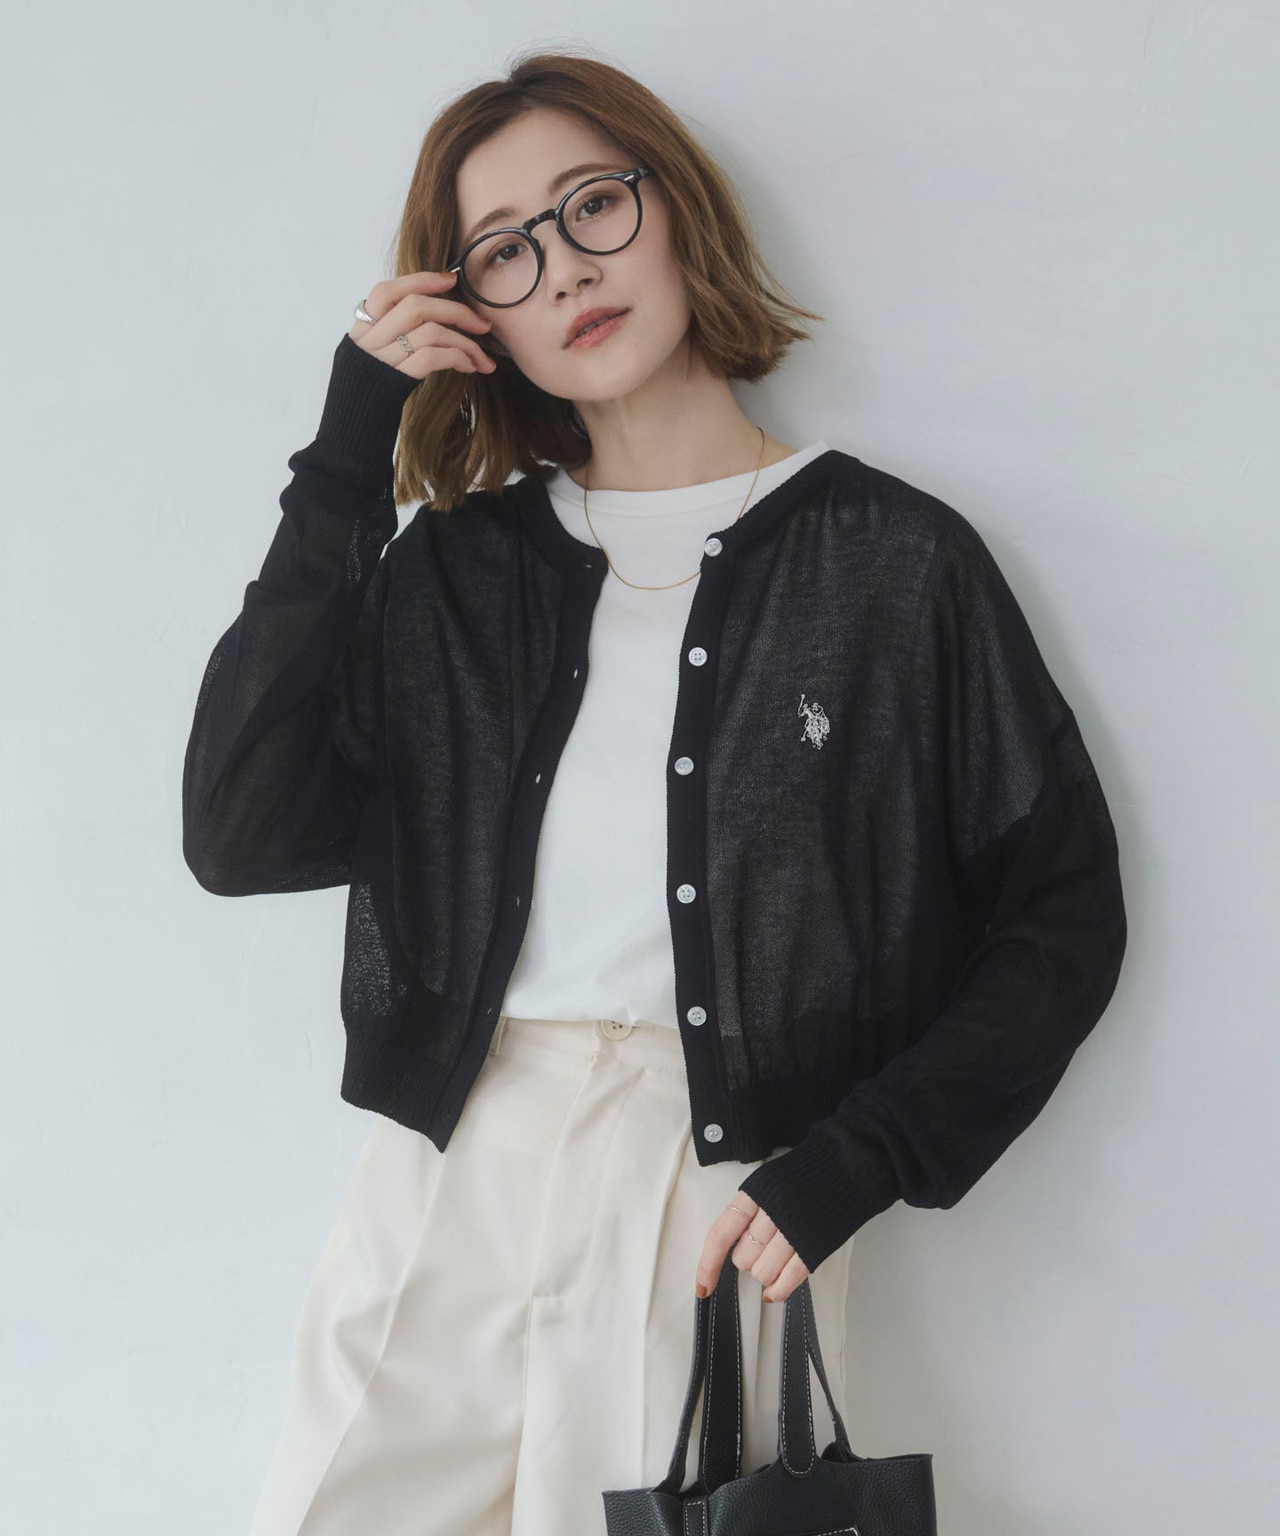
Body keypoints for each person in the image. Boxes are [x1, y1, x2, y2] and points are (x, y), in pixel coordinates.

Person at [181, 47, 1127, 1536]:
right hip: (445, 1170)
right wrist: (351, 452)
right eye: (505, 251)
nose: (564, 268)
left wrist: (857, 1162)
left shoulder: (892, 567)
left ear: (674, 207)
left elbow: (1062, 914)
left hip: (715, 1197)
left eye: (592, 207)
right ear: (473, 313)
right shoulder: (455, 575)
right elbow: (237, 832)